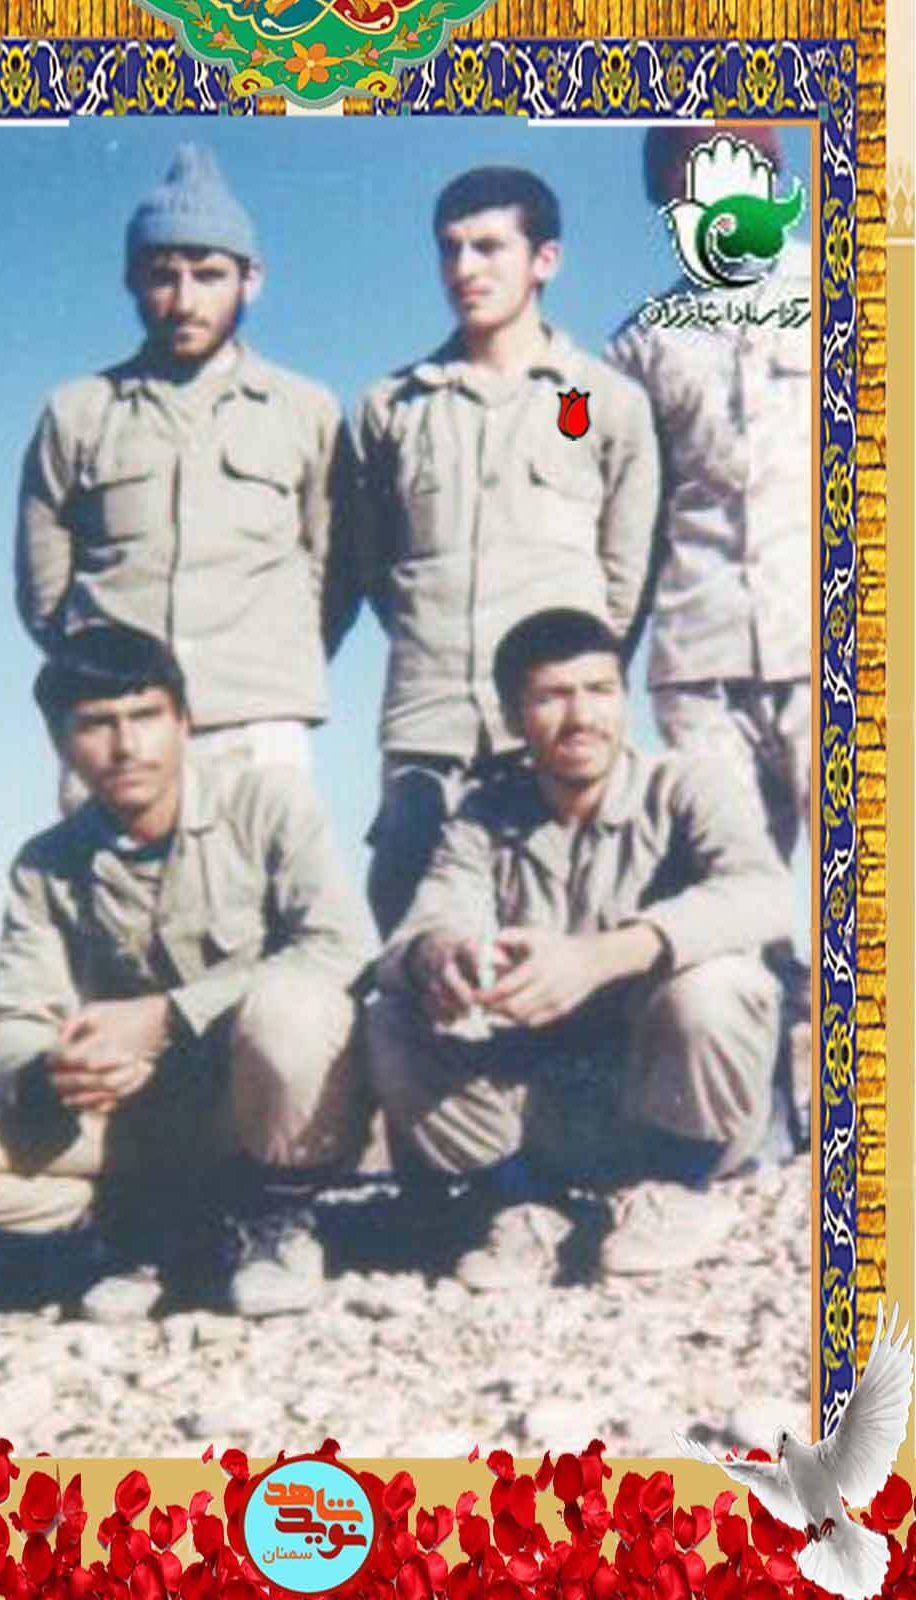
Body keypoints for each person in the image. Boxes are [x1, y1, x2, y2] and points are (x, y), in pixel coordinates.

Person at [0, 624, 377, 1319]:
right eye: (96, 724)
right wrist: (55, 1073)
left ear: (184, 723)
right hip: (135, 1118)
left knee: (294, 1008)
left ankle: (274, 1221)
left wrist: (166, 1017)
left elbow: (342, 946)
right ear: (60, 741)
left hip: (258, 1102)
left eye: (146, 716)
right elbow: (17, 1020)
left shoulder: (269, 805)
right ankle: (141, 1225)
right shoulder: (45, 864)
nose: (127, 745)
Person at [365, 608, 792, 1283]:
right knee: (392, 1015)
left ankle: (676, 1192)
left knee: (719, 987)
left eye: (600, 690)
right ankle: (521, 1209)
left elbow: (765, 893)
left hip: (667, 1099)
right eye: (552, 696)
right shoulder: (483, 815)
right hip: (547, 1112)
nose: (582, 717)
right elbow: (426, 922)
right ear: (514, 718)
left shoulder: (686, 785)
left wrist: (602, 957)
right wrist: (439, 958)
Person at [338, 166, 660, 935]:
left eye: (488, 248)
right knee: (415, 940)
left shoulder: (594, 402)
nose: (464, 269)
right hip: (430, 728)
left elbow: (626, 575)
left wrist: (567, 679)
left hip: (551, 733)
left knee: (565, 940)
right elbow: (375, 568)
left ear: (544, 260)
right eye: (449, 249)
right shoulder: (392, 408)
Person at [16, 143, 345, 783]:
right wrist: (104, 675)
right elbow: (43, 589)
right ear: (132, 282)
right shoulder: (78, 412)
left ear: (252, 279)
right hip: (119, 728)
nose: (185, 300)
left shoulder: (306, 411)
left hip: (259, 724)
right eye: (163, 276)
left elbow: (335, 571)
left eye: (209, 275)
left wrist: (270, 659)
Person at [607, 126, 812, 1144]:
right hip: (698, 659)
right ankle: (753, 1123)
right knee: (730, 884)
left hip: (834, 645)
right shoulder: (641, 342)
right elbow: (595, 465)